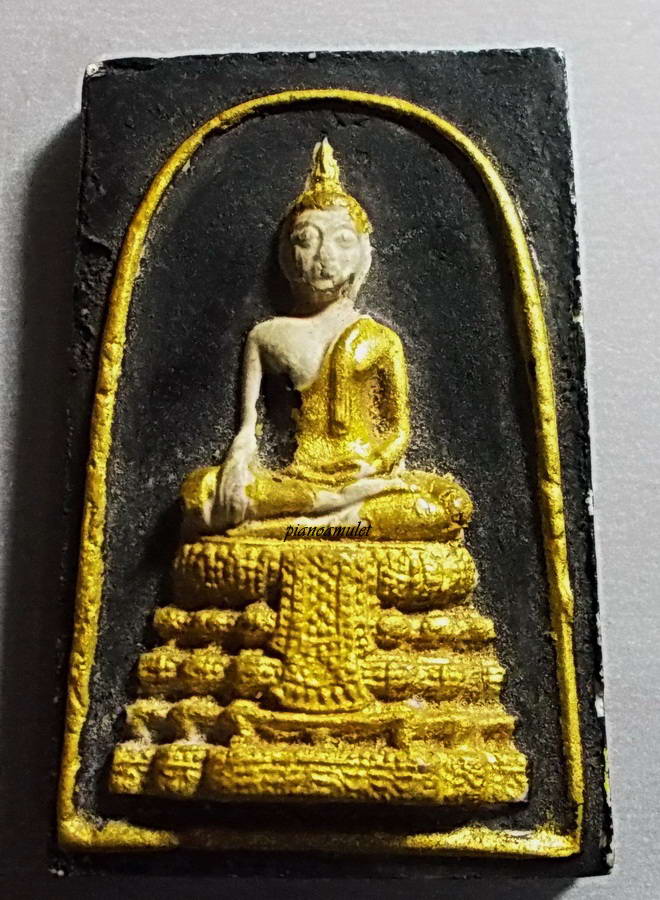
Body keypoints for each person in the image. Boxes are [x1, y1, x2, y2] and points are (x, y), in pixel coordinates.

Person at [182, 138, 471, 541]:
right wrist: (239, 461)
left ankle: (292, 530)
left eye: (342, 240)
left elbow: (397, 430)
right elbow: (248, 428)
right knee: (200, 493)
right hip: (299, 480)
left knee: (445, 508)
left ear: (362, 253)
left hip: (366, 475)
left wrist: (372, 466)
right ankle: (330, 520)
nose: (323, 255)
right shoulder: (267, 336)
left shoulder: (381, 339)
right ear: (288, 254)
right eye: (306, 239)